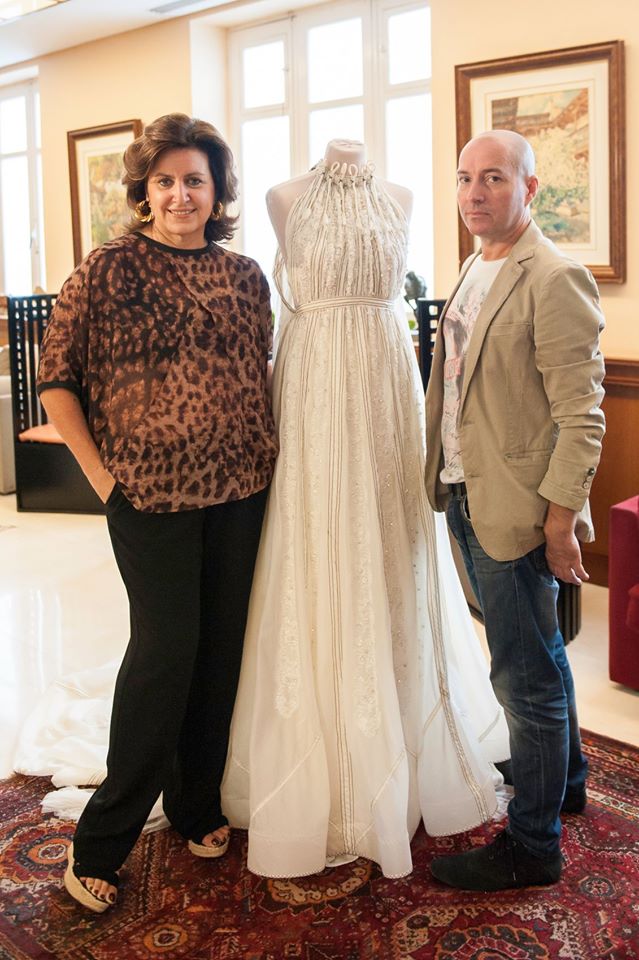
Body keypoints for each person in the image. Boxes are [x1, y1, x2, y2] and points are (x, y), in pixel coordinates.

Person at [221, 139, 510, 879]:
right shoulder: (284, 196)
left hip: (384, 385)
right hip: (315, 381)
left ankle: (405, 746)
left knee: (390, 544)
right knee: (319, 542)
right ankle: (323, 766)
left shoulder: (402, 197)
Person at [36, 113, 278, 911]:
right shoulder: (105, 270)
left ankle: (196, 804)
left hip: (241, 491)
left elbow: (262, 377)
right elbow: (58, 382)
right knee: (164, 654)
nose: (180, 194)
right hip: (149, 496)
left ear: (217, 192)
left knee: (218, 651)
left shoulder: (246, 278)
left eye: (195, 180)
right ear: (144, 191)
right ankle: (101, 842)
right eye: (166, 180)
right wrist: (105, 481)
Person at [425, 129, 605, 891]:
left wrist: (559, 519)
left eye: (493, 178)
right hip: (467, 489)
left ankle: (531, 845)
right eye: (465, 177)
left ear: (528, 188)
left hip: (519, 509)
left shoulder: (552, 275)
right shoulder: (476, 262)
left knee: (520, 678)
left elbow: (583, 414)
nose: (473, 192)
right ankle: (563, 783)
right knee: (539, 654)